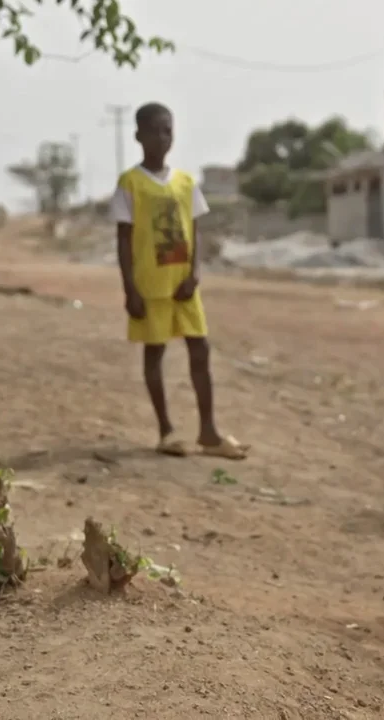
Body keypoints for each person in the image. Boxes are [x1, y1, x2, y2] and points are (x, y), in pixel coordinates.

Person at [112, 103, 248, 460]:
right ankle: (166, 431)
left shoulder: (185, 183)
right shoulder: (131, 182)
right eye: (155, 130)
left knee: (199, 350)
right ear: (138, 135)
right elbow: (124, 239)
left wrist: (195, 272)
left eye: (168, 130)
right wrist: (130, 289)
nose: (162, 138)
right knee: (155, 352)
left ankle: (209, 431)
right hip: (151, 285)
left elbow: (196, 230)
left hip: (184, 285)